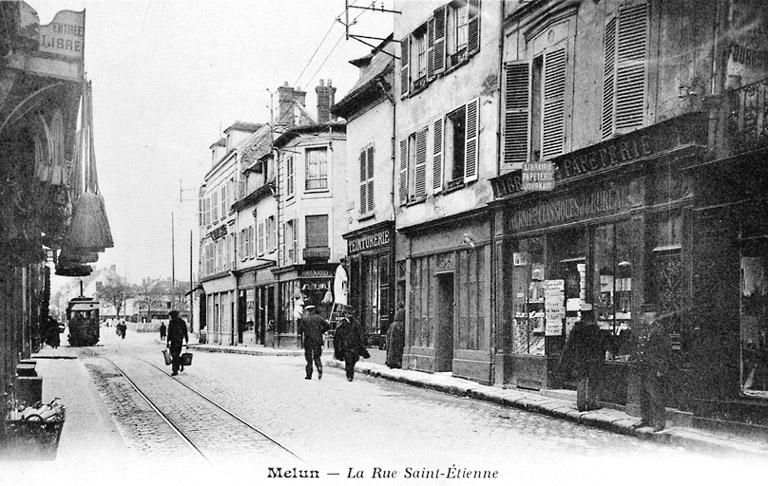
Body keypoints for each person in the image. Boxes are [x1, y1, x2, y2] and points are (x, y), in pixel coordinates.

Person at [633, 310, 674, 431]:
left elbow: (665, 351)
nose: (640, 319)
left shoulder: (659, 330)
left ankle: (659, 422)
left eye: (642, 316)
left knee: (656, 396)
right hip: (644, 368)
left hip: (654, 368)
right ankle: (646, 419)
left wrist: (661, 368)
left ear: (648, 316)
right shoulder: (646, 329)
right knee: (644, 395)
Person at [560, 306, 605, 412]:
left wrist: (567, 358)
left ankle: (580, 404)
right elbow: (600, 344)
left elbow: (570, 344)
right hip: (593, 358)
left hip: (580, 358)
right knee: (592, 380)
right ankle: (591, 403)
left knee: (582, 380)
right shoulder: (594, 327)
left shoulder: (577, 327)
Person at [333, 307, 370, 381]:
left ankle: (350, 373)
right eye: (348, 313)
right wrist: (338, 348)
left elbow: (360, 334)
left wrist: (362, 345)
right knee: (348, 360)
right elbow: (337, 337)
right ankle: (349, 376)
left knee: (354, 359)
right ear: (345, 314)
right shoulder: (342, 324)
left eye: (351, 313)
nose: (350, 315)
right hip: (346, 346)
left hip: (355, 346)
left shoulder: (356, 323)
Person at [298, 305, 328, 380]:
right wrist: (321, 331)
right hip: (318, 340)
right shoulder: (319, 318)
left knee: (309, 358)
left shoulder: (305, 319)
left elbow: (300, 330)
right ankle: (319, 367)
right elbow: (328, 326)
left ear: (308, 311)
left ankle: (309, 374)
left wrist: (303, 331)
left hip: (308, 340)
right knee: (317, 356)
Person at [167, 310, 189, 376]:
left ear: (173, 316)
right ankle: (180, 364)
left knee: (174, 356)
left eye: (171, 316)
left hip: (174, 342)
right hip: (180, 341)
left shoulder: (171, 322)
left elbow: (169, 333)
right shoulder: (182, 322)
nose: (170, 317)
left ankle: (175, 370)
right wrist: (187, 341)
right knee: (176, 355)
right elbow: (185, 332)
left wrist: (167, 342)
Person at [386, 302, 406, 369]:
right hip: (398, 328)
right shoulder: (402, 311)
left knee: (392, 345)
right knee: (397, 345)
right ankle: (396, 361)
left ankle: (391, 361)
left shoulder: (397, 312)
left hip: (394, 328)